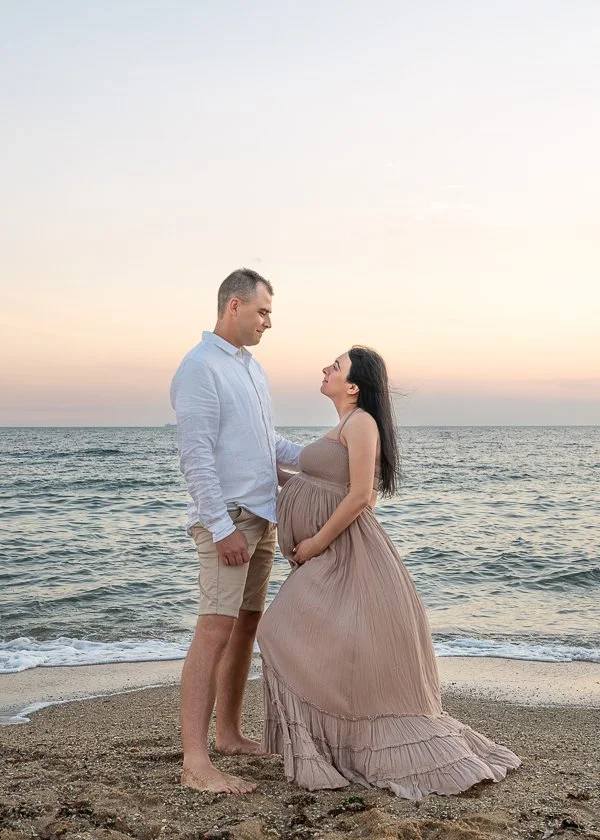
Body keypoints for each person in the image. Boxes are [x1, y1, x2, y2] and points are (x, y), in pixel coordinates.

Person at [257, 346, 520, 799]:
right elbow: (321, 484)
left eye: (335, 366)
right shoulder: (343, 426)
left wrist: (317, 541)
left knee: (280, 627)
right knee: (328, 642)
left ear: (354, 385)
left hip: (347, 553)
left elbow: (360, 495)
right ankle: (335, 746)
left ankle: (342, 746)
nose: (325, 369)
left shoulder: (361, 423)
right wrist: (260, 468)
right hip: (336, 553)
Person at [170, 268, 301, 795]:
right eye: (262, 312)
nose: (268, 322)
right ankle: (196, 762)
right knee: (214, 630)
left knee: (247, 624)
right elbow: (195, 455)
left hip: (261, 516)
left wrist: (328, 452)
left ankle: (228, 734)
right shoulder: (200, 368)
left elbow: (268, 444)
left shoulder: (252, 368)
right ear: (233, 307)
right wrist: (221, 528)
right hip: (228, 519)